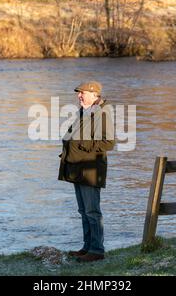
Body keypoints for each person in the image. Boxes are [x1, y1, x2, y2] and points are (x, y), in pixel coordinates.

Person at [58, 81, 115, 262]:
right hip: (77, 168)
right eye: (78, 93)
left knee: (92, 211)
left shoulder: (103, 113)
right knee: (83, 211)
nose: (79, 96)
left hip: (90, 169)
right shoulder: (84, 112)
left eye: (82, 93)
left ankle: (97, 250)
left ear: (94, 94)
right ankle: (87, 247)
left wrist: (82, 144)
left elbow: (109, 142)